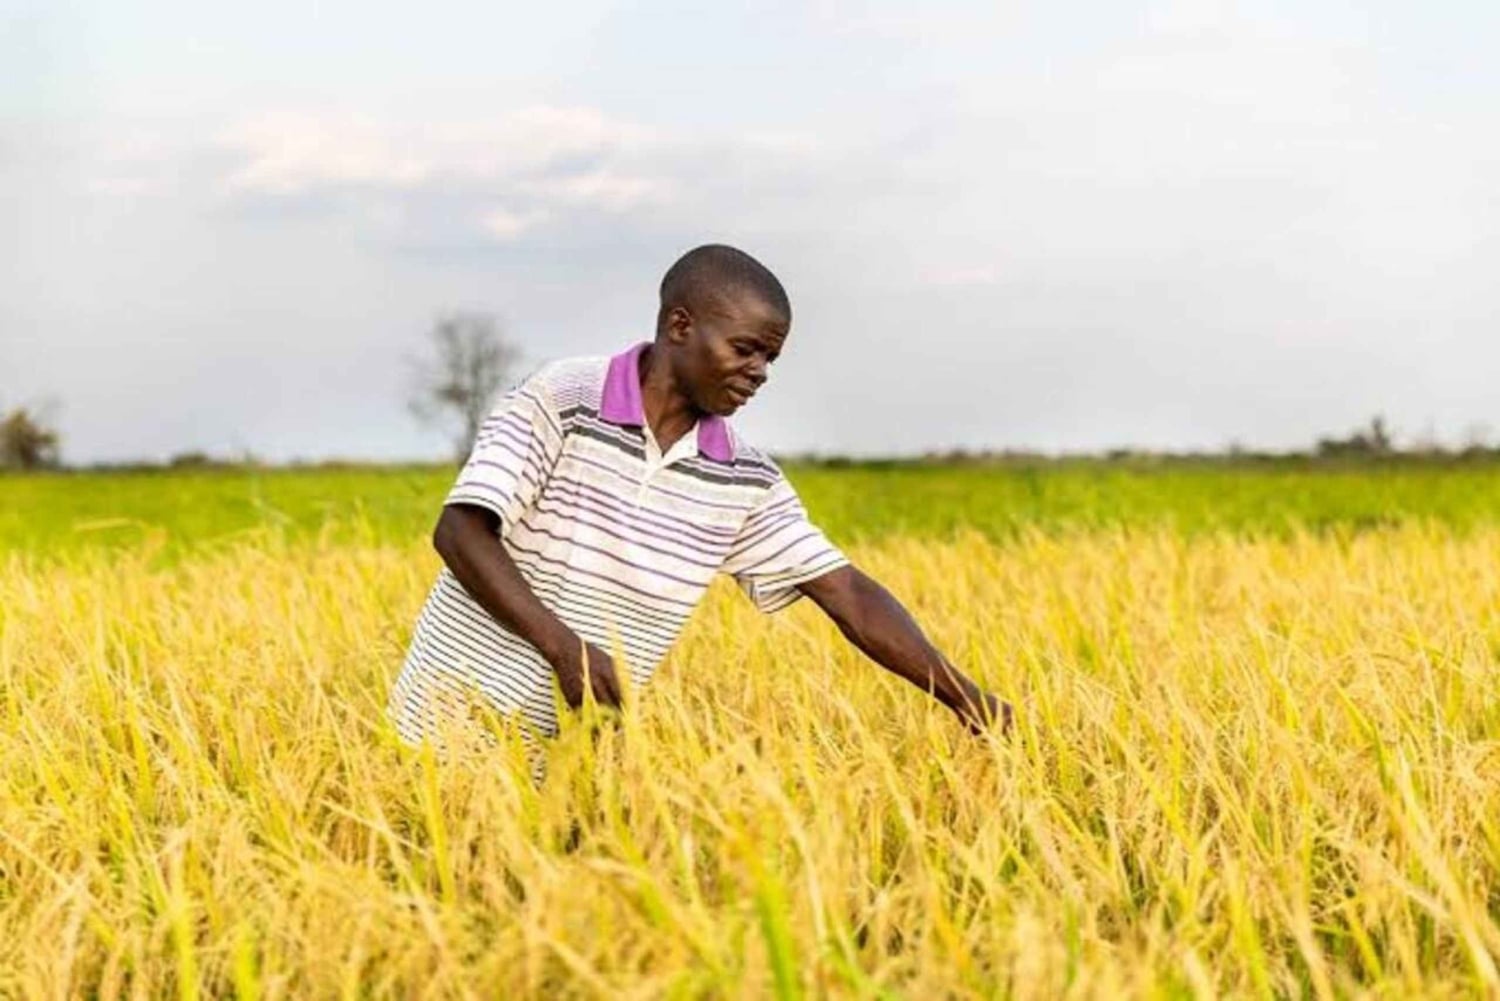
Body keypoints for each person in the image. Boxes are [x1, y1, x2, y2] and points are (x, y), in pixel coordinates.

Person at [388, 244, 1010, 773]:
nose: (759, 371)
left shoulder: (744, 478)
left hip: (579, 770)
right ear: (680, 326)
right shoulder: (563, 398)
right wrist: (565, 649)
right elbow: (461, 531)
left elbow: (847, 592)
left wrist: (966, 697)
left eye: (770, 358)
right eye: (745, 349)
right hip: (439, 745)